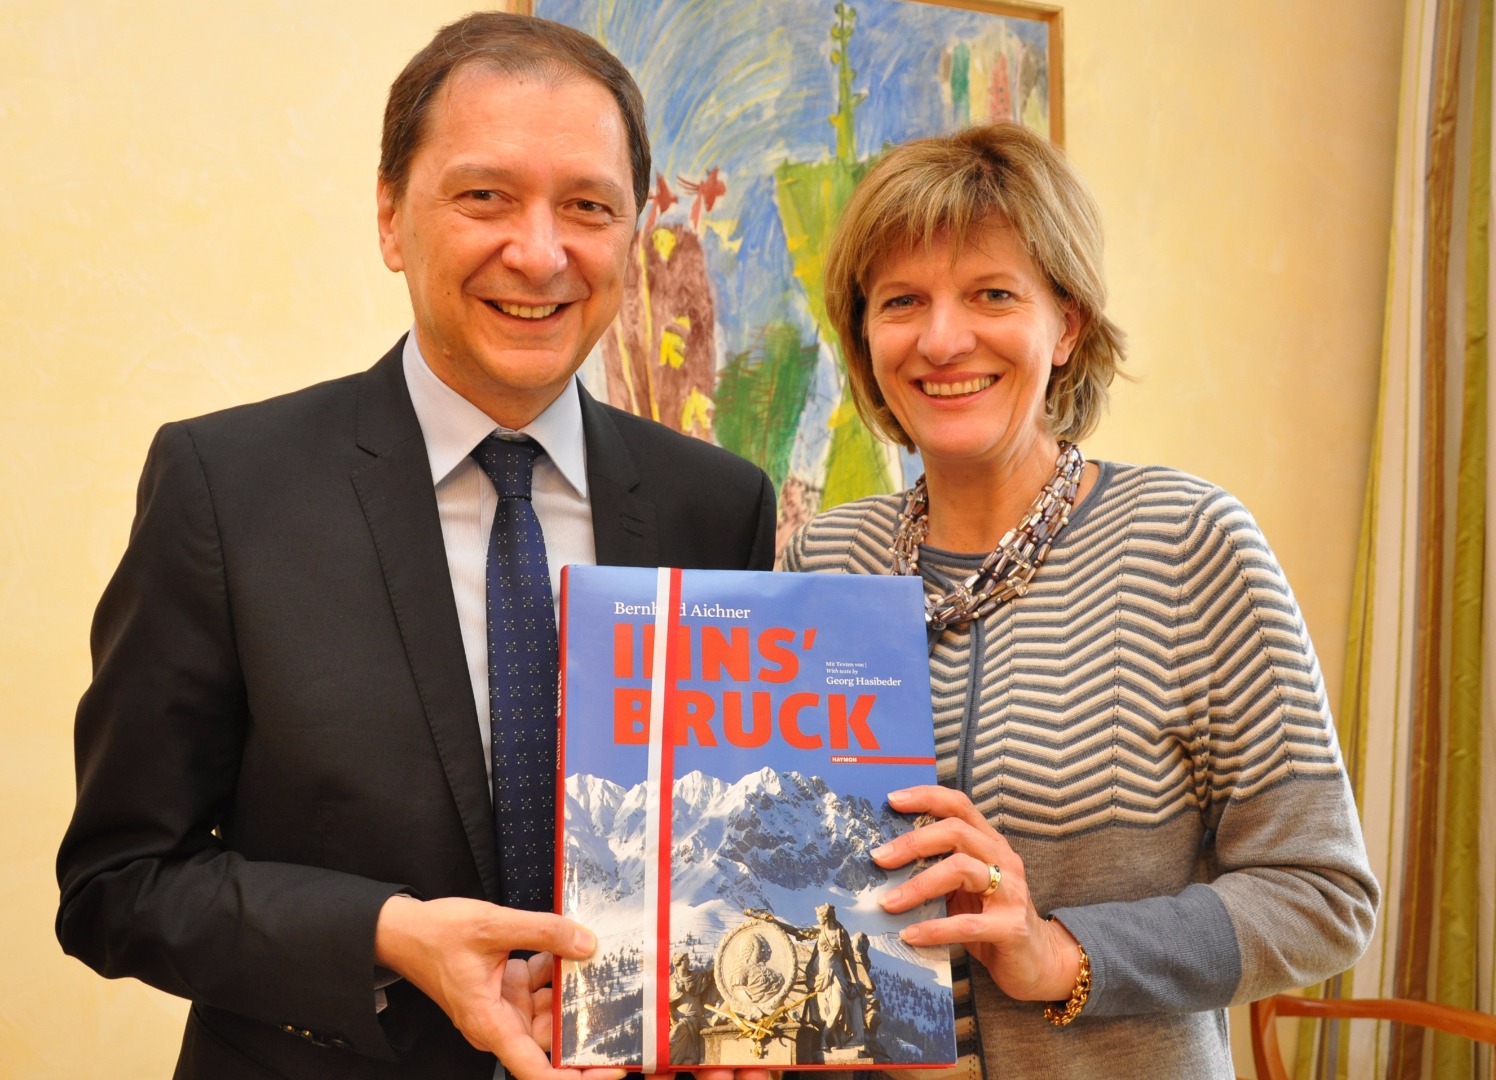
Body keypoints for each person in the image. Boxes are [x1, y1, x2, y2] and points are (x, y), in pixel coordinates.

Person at [55, 13, 776, 1080]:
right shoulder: (227, 487)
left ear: (631, 235)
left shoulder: (716, 507)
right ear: (391, 217)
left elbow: (738, 844)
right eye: (484, 197)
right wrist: (386, 933)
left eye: (587, 206)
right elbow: (118, 886)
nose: (539, 252)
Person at [779, 122, 1379, 1079]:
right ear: (866, 339)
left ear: (1067, 324)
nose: (942, 338)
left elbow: (1323, 896)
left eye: (992, 294)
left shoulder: (1189, 543)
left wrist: (1062, 951)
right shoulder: (819, 560)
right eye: (902, 302)